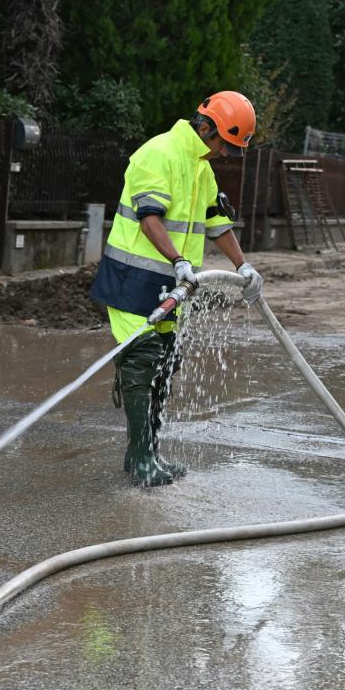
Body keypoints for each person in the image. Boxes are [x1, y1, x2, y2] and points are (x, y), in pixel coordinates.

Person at [89, 90, 263, 487]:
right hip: (133, 280)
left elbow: (216, 222)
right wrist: (179, 260)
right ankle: (140, 459)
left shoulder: (201, 166)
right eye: (224, 144)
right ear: (206, 128)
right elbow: (149, 218)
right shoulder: (159, 153)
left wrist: (244, 266)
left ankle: (147, 454)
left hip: (172, 284)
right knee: (142, 361)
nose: (225, 153)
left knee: (165, 366)